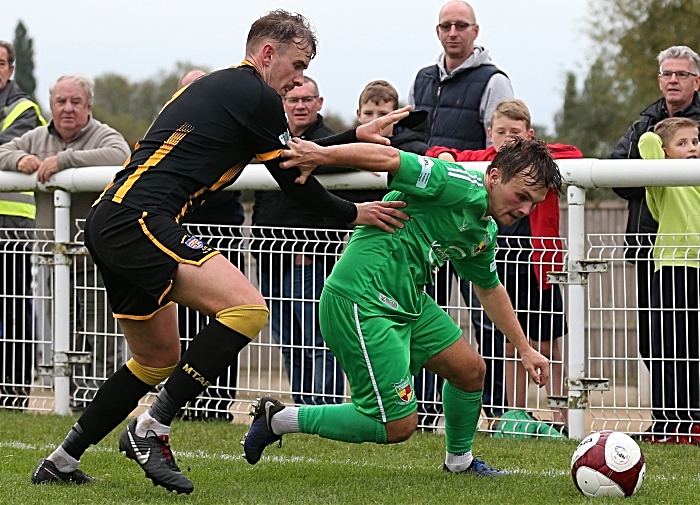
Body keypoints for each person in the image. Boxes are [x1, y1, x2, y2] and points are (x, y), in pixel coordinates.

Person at [30, 10, 409, 494]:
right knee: (247, 309)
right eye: (297, 65)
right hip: (140, 220)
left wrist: (352, 138)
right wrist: (358, 214)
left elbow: (290, 153)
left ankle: (61, 460)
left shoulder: (227, 89)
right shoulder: (254, 94)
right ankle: (153, 428)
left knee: (155, 359)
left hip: (115, 219)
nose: (298, 80)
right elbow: (296, 183)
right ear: (267, 54)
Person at [243, 136, 562, 476]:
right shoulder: (453, 182)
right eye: (522, 196)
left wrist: (526, 349)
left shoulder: (484, 231)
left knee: (470, 371)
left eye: (534, 203)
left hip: (408, 303)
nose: (525, 210)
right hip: (362, 300)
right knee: (398, 425)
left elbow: (489, 288)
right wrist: (322, 154)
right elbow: (391, 158)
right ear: (495, 176)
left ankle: (460, 463)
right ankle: (277, 419)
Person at [427, 99, 580, 432]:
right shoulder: (486, 163)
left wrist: (531, 153)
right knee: (511, 343)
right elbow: (441, 152)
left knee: (549, 342)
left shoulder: (541, 166)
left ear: (529, 134)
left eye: (516, 133)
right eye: (501, 132)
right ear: (489, 133)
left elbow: (574, 154)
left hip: (539, 266)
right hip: (499, 264)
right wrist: (446, 157)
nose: (508, 139)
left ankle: (562, 417)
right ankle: (517, 415)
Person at [0, 74, 130, 410]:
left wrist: (64, 162)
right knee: (63, 341)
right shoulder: (36, 138)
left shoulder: (104, 135)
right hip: (52, 264)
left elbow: (121, 155)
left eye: (75, 102)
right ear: (51, 105)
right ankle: (69, 409)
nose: (68, 108)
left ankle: (101, 408)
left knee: (102, 342)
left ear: (88, 106)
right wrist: (18, 161)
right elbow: (3, 151)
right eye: (61, 101)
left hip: (97, 263)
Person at [252, 76, 346, 406]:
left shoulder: (329, 143)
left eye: (308, 99)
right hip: (272, 263)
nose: (301, 105)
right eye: (294, 100)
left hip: (308, 264)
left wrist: (310, 251)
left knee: (321, 344)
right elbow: (262, 199)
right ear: (284, 104)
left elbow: (334, 200)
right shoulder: (272, 141)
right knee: (291, 346)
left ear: (319, 103)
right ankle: (303, 412)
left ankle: (325, 411)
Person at [611, 45, 700, 378]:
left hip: (694, 249)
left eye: (682, 74)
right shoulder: (642, 126)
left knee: (692, 342)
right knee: (654, 343)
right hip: (649, 247)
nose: (673, 80)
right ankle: (665, 421)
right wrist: (657, 183)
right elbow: (618, 177)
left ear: (697, 82)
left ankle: (690, 419)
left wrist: (658, 173)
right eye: (667, 74)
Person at [175, 69, 245, 421]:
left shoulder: (228, 131)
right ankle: (187, 401)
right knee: (187, 327)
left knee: (227, 320)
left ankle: (219, 403)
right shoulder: (171, 134)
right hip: (179, 241)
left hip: (221, 239)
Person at [637, 117, 700, 445]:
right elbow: (646, 141)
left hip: (699, 269)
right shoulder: (661, 183)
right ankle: (669, 423)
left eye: (695, 142)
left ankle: (695, 421)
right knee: (667, 350)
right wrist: (662, 140)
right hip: (673, 268)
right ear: (664, 153)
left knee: (695, 350)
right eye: (683, 143)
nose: (692, 149)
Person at [0, 40, 46, 410]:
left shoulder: (23, 107)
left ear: (11, 69)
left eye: (0, 63)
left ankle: (14, 392)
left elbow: (7, 148)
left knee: (14, 307)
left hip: (12, 224)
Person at [408, 1, 514, 150]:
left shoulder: (494, 82)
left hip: (469, 172)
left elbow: (500, 149)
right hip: (421, 172)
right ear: (438, 31)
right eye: (446, 26)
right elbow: (408, 138)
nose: (452, 33)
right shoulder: (422, 79)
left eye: (461, 26)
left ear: (475, 31)